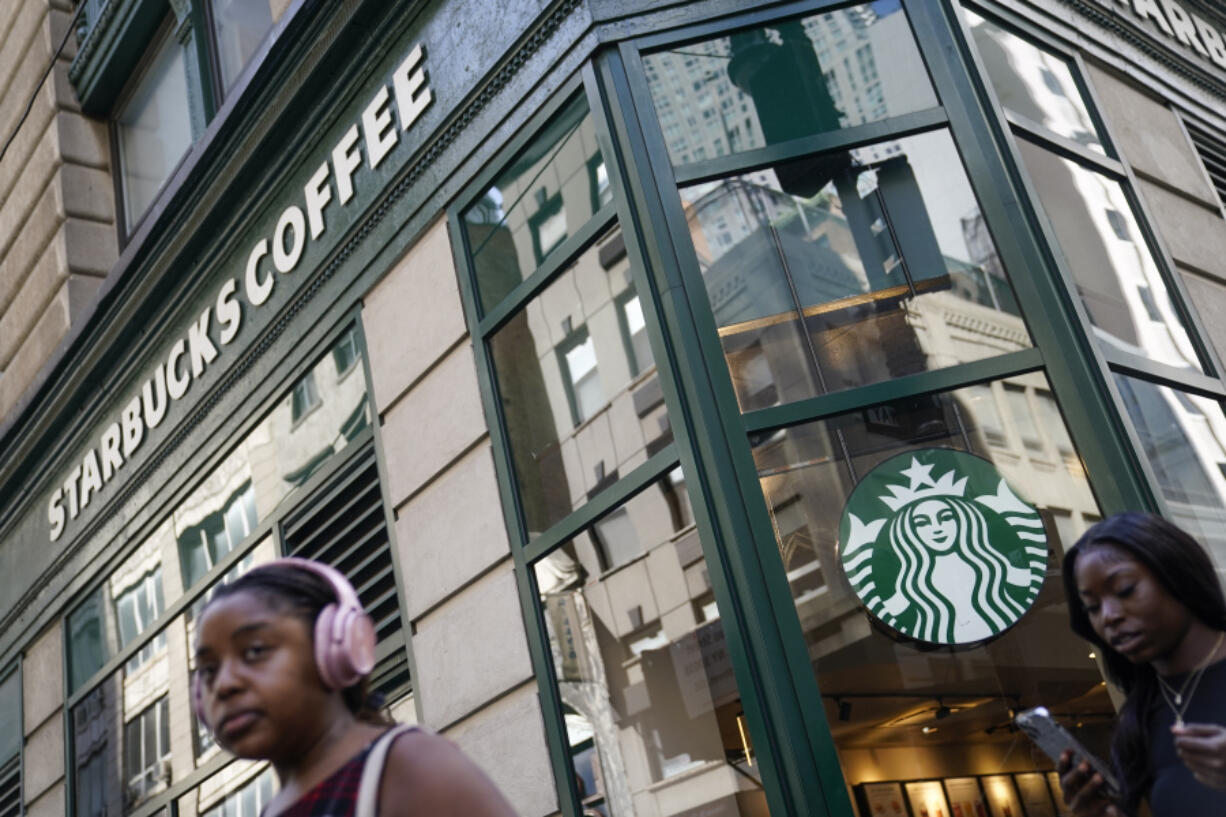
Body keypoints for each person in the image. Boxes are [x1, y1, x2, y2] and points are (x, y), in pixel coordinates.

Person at [193, 557, 519, 816]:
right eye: (208, 670)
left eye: (255, 651)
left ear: (336, 646)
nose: (224, 685)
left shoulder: (408, 765)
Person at [1059, 511, 1226, 816]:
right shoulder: (1138, 721)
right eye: (1092, 608)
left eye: (1125, 590)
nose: (1108, 616)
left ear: (1176, 574)